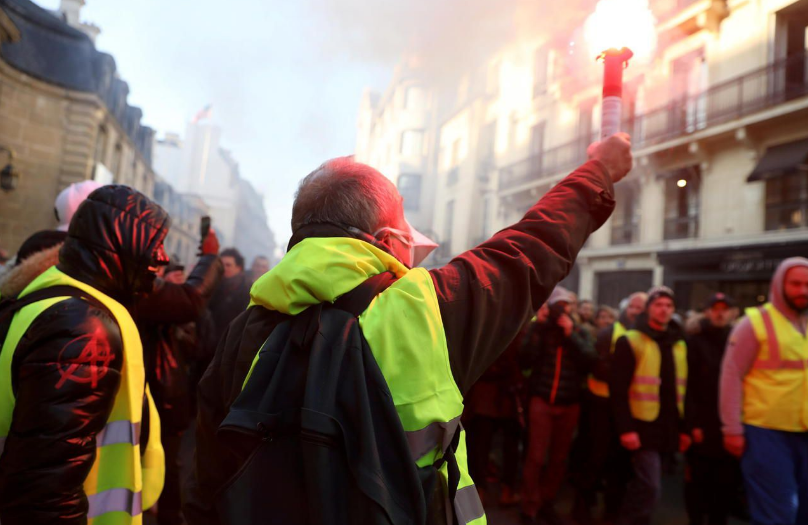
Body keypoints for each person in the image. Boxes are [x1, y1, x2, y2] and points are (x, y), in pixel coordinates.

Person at [185, 134, 632, 525]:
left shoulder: (247, 325)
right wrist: (599, 172)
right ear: (384, 241)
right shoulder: (430, 308)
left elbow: (208, 476)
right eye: (405, 232)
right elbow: (532, 246)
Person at [0, 185, 168, 524]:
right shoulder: (81, 326)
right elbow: (44, 489)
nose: (162, 258)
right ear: (119, 243)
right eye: (155, 243)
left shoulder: (55, 299)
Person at [134, 237, 223, 525]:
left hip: (168, 396)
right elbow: (190, 299)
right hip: (148, 394)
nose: (160, 263)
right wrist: (210, 259)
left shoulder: (165, 304)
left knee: (168, 464)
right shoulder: (139, 292)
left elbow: (196, 346)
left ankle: (166, 511)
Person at [720, 257, 808, 525]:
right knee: (775, 513)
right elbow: (731, 376)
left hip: (804, 431)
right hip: (765, 432)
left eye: (807, 284)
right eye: (795, 284)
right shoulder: (753, 323)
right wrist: (731, 429)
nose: (803, 290)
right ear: (779, 284)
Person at [610, 286, 690, 525]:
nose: (664, 310)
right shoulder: (631, 340)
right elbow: (618, 390)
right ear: (648, 309)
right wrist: (626, 429)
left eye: (668, 306)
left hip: (668, 425)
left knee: (645, 484)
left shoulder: (679, 343)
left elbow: (685, 389)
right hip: (642, 424)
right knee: (650, 486)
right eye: (658, 305)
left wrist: (684, 428)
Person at [519, 287, 597, 524]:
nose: (562, 310)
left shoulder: (580, 331)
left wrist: (571, 333)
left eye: (566, 305)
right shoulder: (541, 330)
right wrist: (537, 326)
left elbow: (590, 361)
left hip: (569, 404)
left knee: (558, 458)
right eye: (558, 305)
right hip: (542, 401)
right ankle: (529, 505)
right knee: (535, 456)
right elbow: (524, 359)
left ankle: (547, 501)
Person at [574, 291, 647, 524]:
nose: (637, 311)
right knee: (595, 458)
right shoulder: (609, 333)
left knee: (621, 464)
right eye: (634, 307)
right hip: (601, 406)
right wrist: (623, 374)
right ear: (625, 309)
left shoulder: (647, 335)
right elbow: (597, 367)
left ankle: (612, 511)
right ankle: (582, 507)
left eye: (641, 308)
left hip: (629, 407)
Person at [685, 293, 740, 525]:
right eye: (714, 308)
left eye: (724, 308)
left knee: (725, 481)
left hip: (729, 423)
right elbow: (688, 385)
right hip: (702, 424)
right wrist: (692, 424)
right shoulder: (694, 340)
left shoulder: (737, 339)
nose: (719, 313)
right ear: (706, 312)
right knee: (697, 480)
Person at [465, 325, 525, 507]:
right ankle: (500, 491)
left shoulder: (485, 322)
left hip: (492, 394)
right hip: (499, 394)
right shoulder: (517, 325)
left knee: (483, 446)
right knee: (490, 446)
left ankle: (482, 491)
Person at [208, 247, 251, 342]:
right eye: (221, 264)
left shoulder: (248, 291)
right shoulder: (212, 287)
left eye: (228, 265)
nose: (223, 268)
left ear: (239, 268)